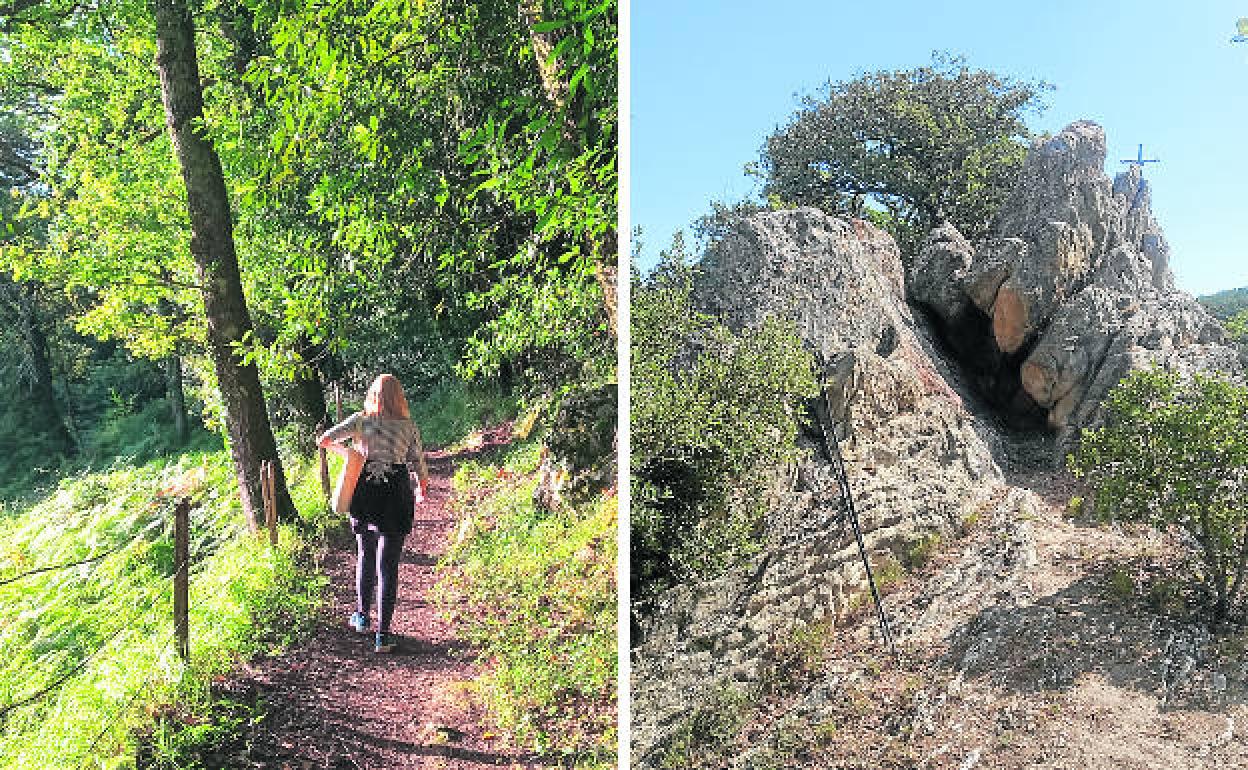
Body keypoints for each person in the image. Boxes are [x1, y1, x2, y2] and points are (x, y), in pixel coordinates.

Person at [318, 374, 430, 653]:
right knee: (388, 565)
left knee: (365, 554)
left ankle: (362, 616)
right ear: (399, 398)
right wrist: (422, 486)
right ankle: (383, 635)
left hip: (365, 492)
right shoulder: (408, 427)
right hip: (395, 493)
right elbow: (417, 461)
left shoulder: (360, 422)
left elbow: (324, 439)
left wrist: (350, 455)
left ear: (373, 396)